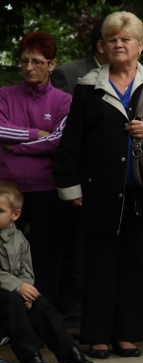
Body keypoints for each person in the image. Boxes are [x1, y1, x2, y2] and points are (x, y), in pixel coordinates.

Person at [54, 11, 143, 359]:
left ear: (140, 46)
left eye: (125, 39)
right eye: (111, 39)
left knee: (138, 263)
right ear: (103, 46)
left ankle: (127, 335)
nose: (118, 44)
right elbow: (72, 142)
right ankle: (96, 336)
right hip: (98, 192)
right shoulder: (88, 87)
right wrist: (71, 188)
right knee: (99, 264)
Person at [0, 31, 71, 310]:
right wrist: (34, 133)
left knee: (44, 256)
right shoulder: (5, 95)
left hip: (45, 189)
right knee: (4, 256)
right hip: (6, 191)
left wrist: (16, 147)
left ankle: (43, 316)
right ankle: (9, 319)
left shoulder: (64, 101)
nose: (29, 68)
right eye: (24, 61)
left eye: (37, 62)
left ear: (52, 64)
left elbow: (60, 140)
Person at [0, 182, 93, 363]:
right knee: (13, 301)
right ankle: (30, 355)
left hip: (14, 293)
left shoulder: (19, 239)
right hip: (6, 294)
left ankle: (67, 351)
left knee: (39, 302)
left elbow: (27, 269)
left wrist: (25, 289)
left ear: (15, 215)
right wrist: (18, 288)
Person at [51, 21, 110, 95]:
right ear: (101, 46)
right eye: (114, 41)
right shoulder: (66, 75)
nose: (122, 45)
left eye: (126, 40)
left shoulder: (126, 76)